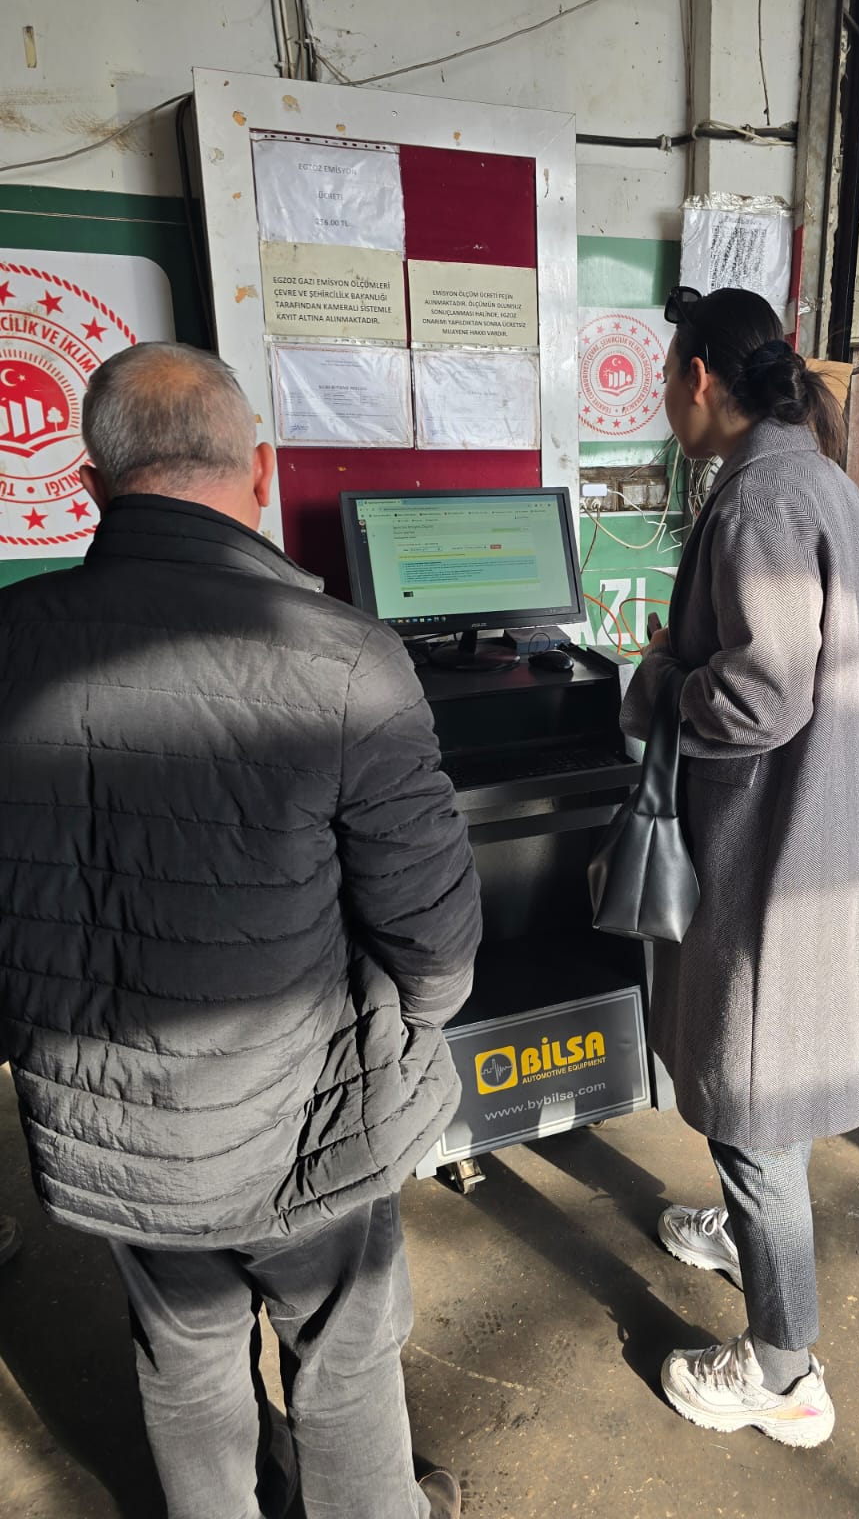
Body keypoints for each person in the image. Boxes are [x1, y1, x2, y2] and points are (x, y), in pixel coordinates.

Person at [0, 343, 482, 1519]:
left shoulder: (10, 642)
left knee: (183, 1356)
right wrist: (413, 1036)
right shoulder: (346, 658)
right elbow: (433, 933)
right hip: (301, 1121)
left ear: (92, 480)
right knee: (345, 1350)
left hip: (108, 1118)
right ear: (258, 472)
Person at [622, 287, 859, 1448]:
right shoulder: (819, 479)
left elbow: (763, 689)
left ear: (696, 382)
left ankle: (785, 1368)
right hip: (811, 833)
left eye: (666, 379)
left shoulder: (763, 498)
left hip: (770, 851)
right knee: (767, 1091)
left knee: (753, 1112)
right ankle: (745, 1232)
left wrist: (664, 686)